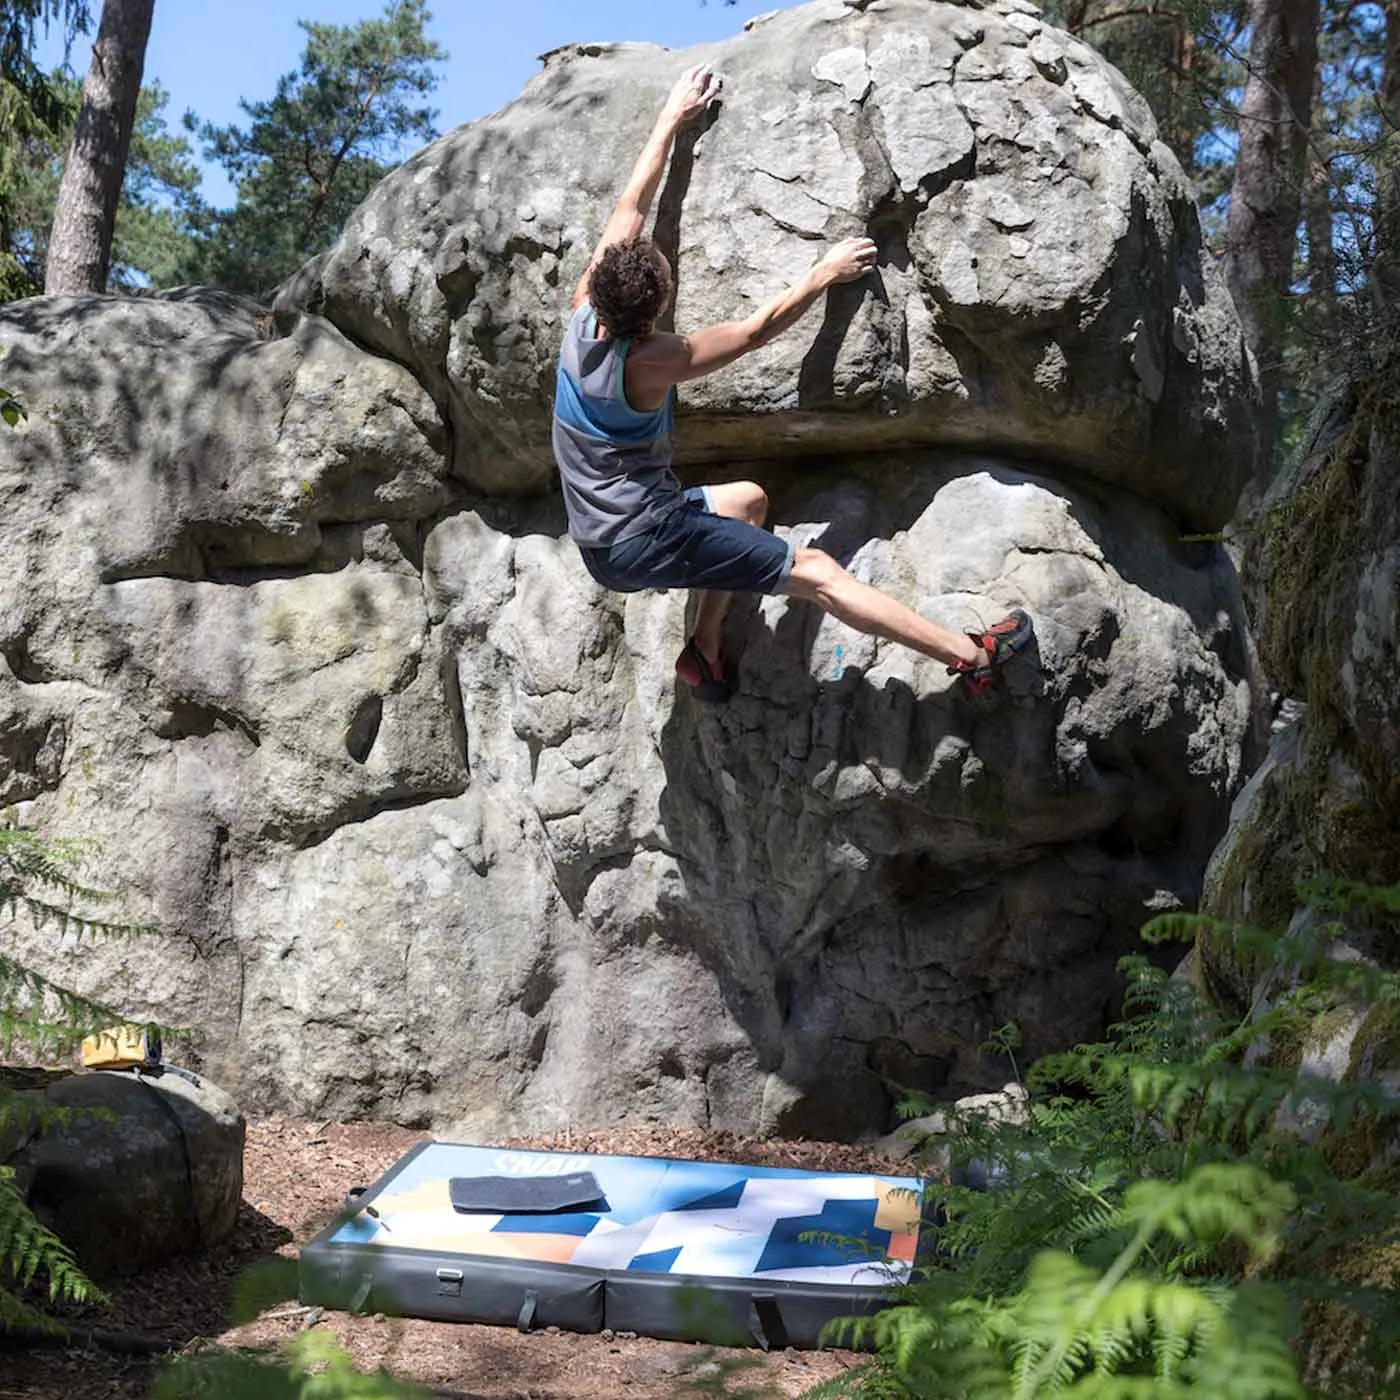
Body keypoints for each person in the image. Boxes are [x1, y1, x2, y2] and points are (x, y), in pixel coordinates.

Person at [552, 64, 1033, 701]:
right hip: (644, 538)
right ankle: (973, 657)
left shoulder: (587, 307)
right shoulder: (651, 362)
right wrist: (821, 274)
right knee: (817, 572)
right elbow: (753, 332)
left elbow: (630, 208)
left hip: (602, 536)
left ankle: (703, 648)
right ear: (651, 317)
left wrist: (672, 117)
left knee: (748, 500)